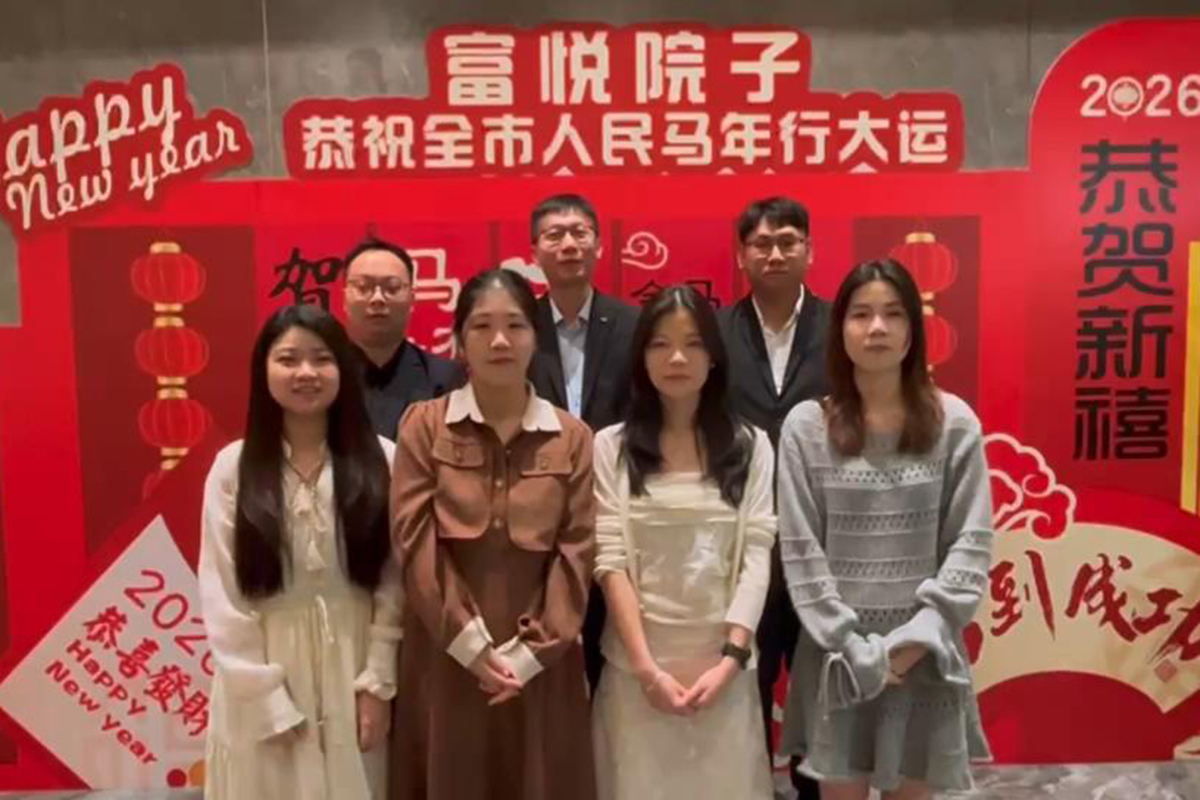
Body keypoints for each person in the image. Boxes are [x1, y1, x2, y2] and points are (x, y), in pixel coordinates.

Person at [776, 259, 994, 799]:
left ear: (914, 330)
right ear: (840, 329)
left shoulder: (954, 423)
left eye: (894, 314)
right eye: (862, 314)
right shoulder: (807, 427)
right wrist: (854, 647)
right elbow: (801, 551)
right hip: (838, 659)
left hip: (924, 658)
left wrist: (914, 640)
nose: (877, 328)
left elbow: (970, 544)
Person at [391, 268, 597, 800]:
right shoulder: (424, 426)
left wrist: (529, 656)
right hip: (446, 657)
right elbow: (414, 542)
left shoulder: (572, 438)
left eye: (515, 326)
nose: (500, 341)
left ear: (536, 337)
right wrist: (471, 645)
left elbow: (577, 552)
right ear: (460, 340)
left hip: (542, 667)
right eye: (482, 326)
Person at [199, 304, 403, 799]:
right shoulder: (233, 468)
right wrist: (263, 697)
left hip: (353, 667)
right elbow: (222, 595)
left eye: (322, 359)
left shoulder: (382, 460)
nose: (306, 372)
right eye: (288, 359)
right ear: (263, 370)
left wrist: (378, 683)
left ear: (343, 369)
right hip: (263, 674)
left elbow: (395, 582)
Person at [591, 285, 776, 800]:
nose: (677, 358)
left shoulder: (751, 446)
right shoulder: (610, 447)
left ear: (713, 356)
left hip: (725, 671)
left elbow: (757, 557)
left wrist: (731, 660)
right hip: (635, 673)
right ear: (641, 357)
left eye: (693, 343)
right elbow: (610, 561)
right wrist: (647, 670)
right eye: (660, 344)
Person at [717, 196, 829, 795]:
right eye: (762, 243)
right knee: (745, 686)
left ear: (809, 250)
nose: (776, 253)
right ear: (741, 255)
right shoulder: (714, 334)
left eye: (788, 242)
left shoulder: (843, 327)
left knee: (820, 688)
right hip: (742, 542)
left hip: (825, 542)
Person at [527, 192, 639, 693]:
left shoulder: (634, 325)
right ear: (534, 251)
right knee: (547, 667)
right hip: (539, 524)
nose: (569, 244)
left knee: (615, 663)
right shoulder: (517, 327)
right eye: (555, 235)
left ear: (599, 245)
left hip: (618, 514)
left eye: (580, 233)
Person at [342, 236, 462, 441]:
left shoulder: (444, 378)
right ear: (345, 298)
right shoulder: (325, 376)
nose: (378, 298)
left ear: (412, 299)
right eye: (363, 287)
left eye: (392, 288)